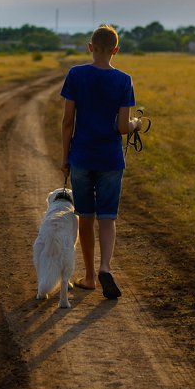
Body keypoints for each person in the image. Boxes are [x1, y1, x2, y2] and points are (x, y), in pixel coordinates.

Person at [60, 25, 140, 300]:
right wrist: (136, 123)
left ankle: (90, 277)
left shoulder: (76, 75)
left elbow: (68, 121)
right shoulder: (123, 80)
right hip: (110, 159)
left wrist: (64, 157)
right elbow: (121, 127)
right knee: (108, 218)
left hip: (82, 156)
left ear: (90, 47)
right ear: (116, 50)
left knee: (85, 217)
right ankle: (106, 266)